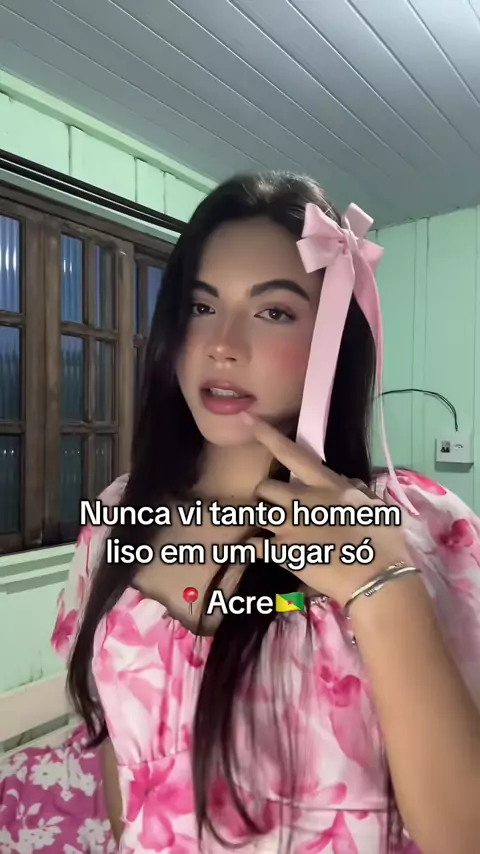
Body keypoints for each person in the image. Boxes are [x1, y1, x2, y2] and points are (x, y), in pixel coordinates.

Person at [51, 172, 480, 854]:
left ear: (333, 339)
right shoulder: (112, 521)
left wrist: (381, 586)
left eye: (273, 312)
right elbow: (121, 766)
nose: (222, 343)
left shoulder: (425, 524)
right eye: (200, 306)